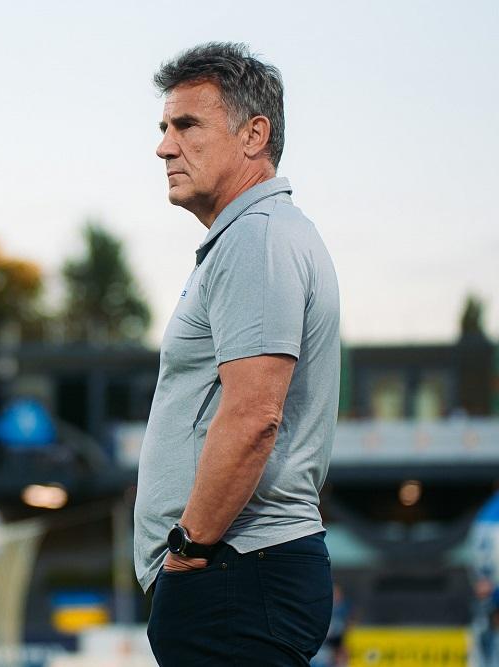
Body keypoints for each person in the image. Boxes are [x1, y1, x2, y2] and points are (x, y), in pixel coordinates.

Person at [132, 42, 341, 665]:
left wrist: (188, 549)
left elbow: (253, 417)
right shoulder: (259, 235)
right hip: (236, 570)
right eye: (164, 129)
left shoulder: (256, 237)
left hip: (232, 568)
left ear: (254, 135)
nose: (165, 147)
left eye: (187, 125)